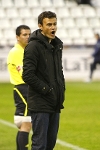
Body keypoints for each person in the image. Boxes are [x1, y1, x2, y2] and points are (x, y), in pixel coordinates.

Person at [22, 11, 65, 150]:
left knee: (50, 145)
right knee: (40, 145)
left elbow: (59, 72)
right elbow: (27, 75)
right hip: (40, 103)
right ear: (40, 26)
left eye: (55, 24)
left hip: (55, 102)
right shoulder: (33, 46)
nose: (53, 27)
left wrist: (60, 90)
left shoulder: (57, 45)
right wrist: (46, 90)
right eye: (49, 24)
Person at [7, 25, 31, 150]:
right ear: (17, 37)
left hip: (25, 89)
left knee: (25, 125)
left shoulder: (24, 51)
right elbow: (25, 73)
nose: (28, 37)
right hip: (23, 88)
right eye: (24, 35)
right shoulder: (16, 52)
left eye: (29, 34)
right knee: (26, 124)